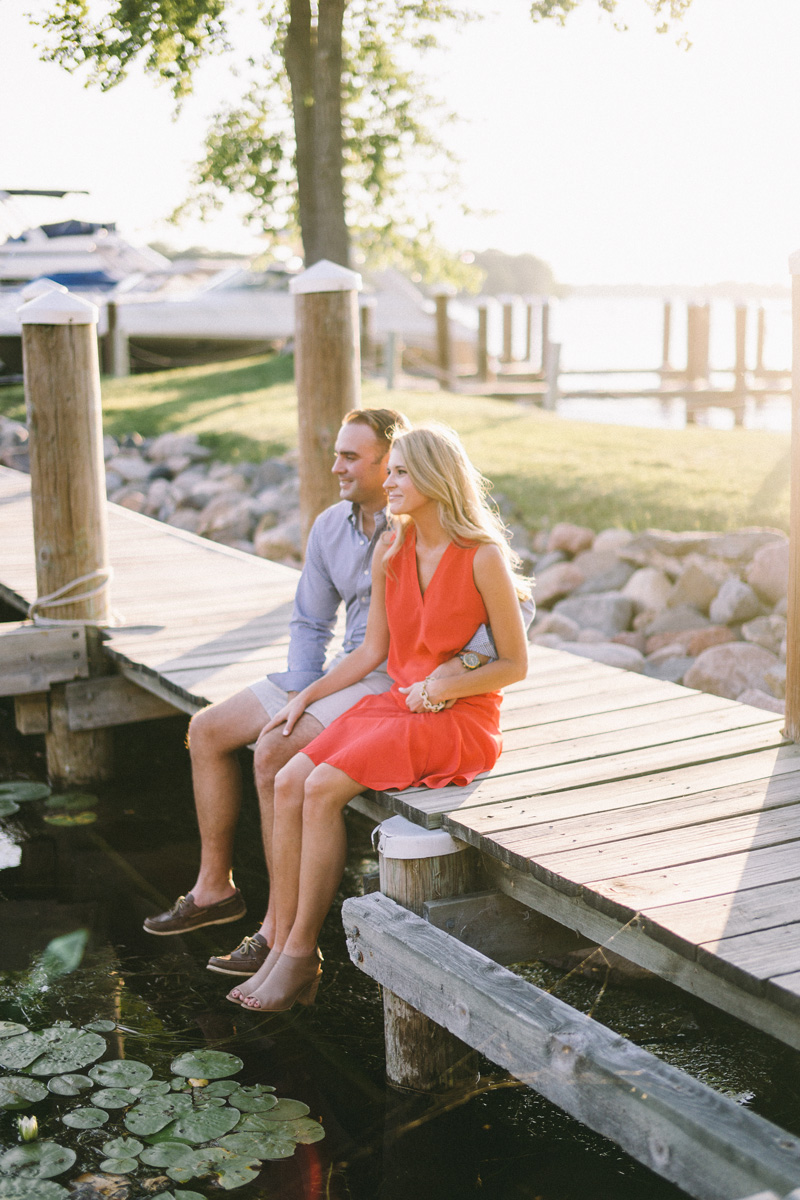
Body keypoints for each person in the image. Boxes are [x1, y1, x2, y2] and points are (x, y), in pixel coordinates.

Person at [143, 409, 514, 978]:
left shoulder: (469, 550)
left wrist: (451, 673)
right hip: (364, 679)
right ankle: (224, 896)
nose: (338, 466)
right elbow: (329, 633)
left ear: (419, 473)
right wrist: (301, 692)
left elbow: (510, 637)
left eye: (361, 460)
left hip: (424, 697)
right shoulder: (366, 540)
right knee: (220, 735)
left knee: (283, 763)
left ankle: (283, 939)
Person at [227, 422, 531, 1012]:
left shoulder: (483, 557)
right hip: (397, 705)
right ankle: (281, 942)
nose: (387, 482)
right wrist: (306, 696)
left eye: (400, 471)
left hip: (458, 719)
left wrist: (446, 686)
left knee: (318, 789)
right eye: (388, 470)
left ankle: (299, 955)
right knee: (289, 777)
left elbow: (515, 664)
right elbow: (371, 653)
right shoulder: (393, 551)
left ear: (435, 479)